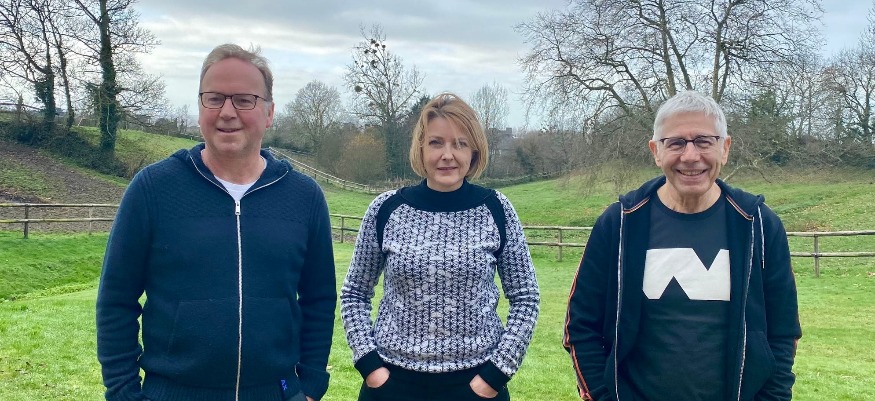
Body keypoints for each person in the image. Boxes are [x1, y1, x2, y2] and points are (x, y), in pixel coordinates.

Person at [96, 43, 336, 401]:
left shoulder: (304, 196)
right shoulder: (153, 189)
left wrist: (312, 385)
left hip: (276, 392)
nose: (227, 112)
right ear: (200, 109)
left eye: (244, 100)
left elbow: (319, 299)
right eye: (214, 99)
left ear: (269, 113)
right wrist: (124, 393)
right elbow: (117, 299)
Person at [563, 90, 802, 401]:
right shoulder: (619, 224)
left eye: (704, 141)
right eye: (675, 143)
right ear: (656, 151)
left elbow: (783, 332)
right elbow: (581, 327)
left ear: (725, 148)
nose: (690, 156)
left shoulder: (758, 225)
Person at [340, 93, 540, 401]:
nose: (448, 155)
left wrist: (495, 376)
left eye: (460, 143)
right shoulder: (386, 209)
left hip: (477, 386)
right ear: (421, 148)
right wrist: (370, 366)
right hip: (392, 385)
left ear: (474, 151)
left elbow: (526, 298)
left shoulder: (497, 210)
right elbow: (355, 293)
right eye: (436, 143)